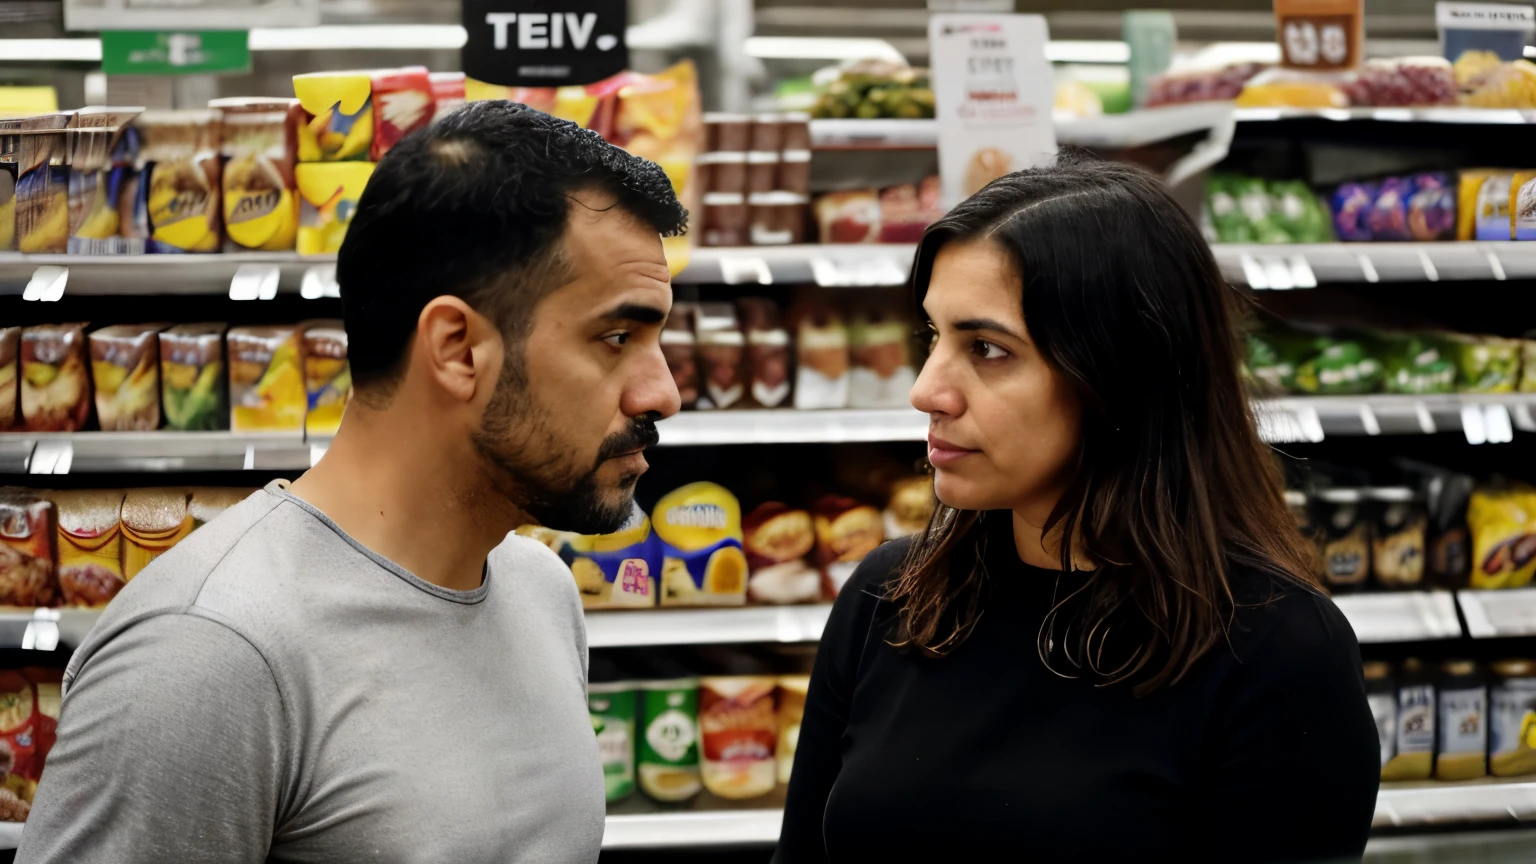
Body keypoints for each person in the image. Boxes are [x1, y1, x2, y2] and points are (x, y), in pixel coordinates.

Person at [19, 102, 687, 864]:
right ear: (458, 348)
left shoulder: (541, 591)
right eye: (616, 337)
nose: (661, 392)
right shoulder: (209, 655)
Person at [775, 155, 1380, 863]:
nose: (928, 389)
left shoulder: (1277, 654)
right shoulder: (889, 599)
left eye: (988, 350)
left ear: (1120, 374)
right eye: (932, 337)